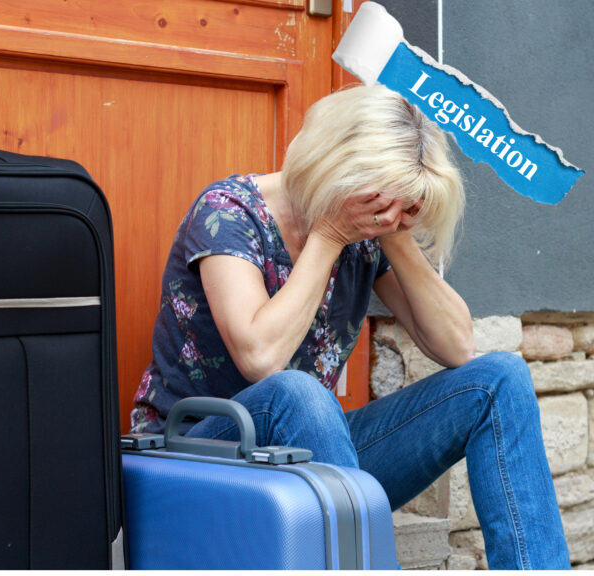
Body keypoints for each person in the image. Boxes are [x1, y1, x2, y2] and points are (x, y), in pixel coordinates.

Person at [130, 84, 569, 570]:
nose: (388, 217)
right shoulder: (228, 213)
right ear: (338, 168)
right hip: (201, 453)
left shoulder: (369, 230)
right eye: (384, 201)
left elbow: (458, 346)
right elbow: (260, 358)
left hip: (306, 454)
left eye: (405, 206)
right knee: (295, 391)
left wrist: (396, 235)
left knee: (499, 379)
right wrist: (330, 234)